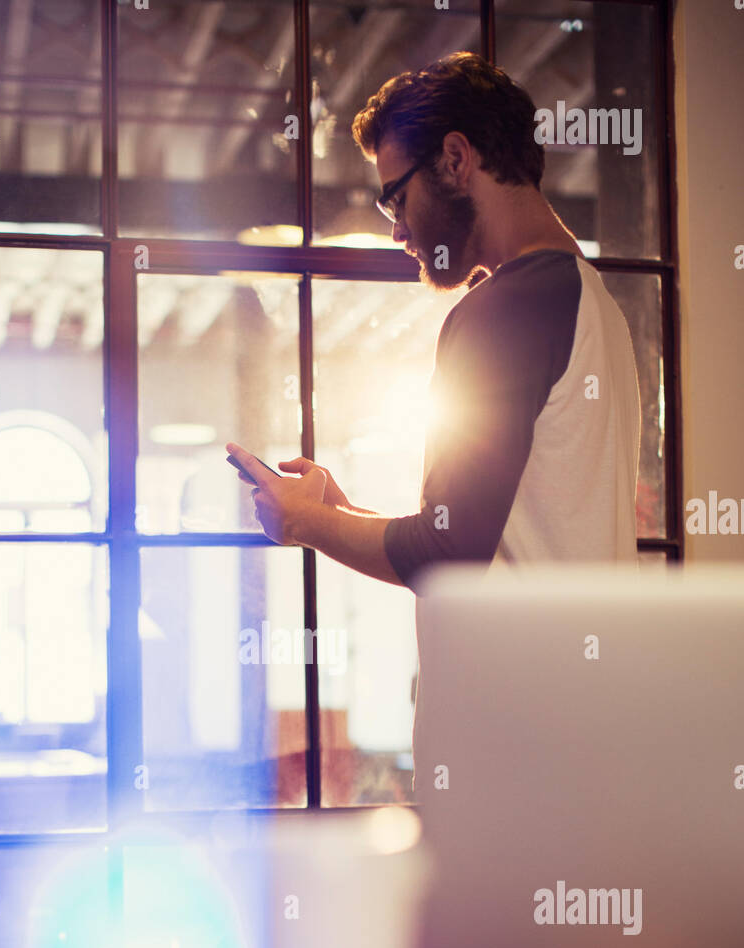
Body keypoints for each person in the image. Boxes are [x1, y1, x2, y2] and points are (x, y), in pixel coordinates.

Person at [227, 50, 640, 586]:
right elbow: (487, 542)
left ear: (455, 159)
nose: (397, 232)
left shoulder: (505, 308)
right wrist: (339, 513)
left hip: (517, 672)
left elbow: (446, 553)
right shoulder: (593, 303)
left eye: (396, 199)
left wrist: (304, 521)